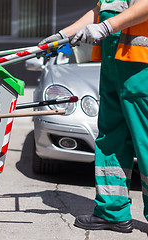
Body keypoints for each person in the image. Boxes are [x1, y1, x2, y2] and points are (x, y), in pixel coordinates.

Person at [39, 0, 148, 233]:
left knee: (146, 142)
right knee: (111, 139)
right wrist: (63, 35)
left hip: (141, 67)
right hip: (115, 64)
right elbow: (101, 10)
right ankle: (112, 212)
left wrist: (106, 27)